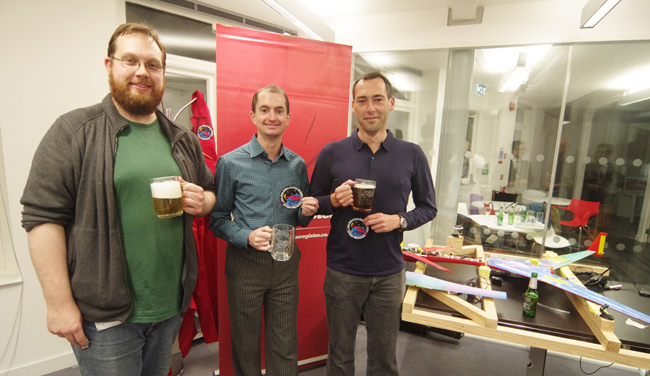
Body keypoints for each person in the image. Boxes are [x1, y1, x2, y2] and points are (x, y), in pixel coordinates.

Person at [20, 23, 216, 375]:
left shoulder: (182, 138)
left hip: (169, 308)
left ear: (162, 73)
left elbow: (210, 191)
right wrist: (58, 303)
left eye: (153, 64)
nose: (142, 71)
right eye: (130, 61)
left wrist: (203, 202)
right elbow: (41, 217)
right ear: (109, 66)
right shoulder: (74, 131)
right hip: (107, 318)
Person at [309, 72, 437, 376]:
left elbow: (428, 207)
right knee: (339, 357)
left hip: (389, 274)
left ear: (391, 103)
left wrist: (400, 220)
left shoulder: (412, 154)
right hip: (343, 271)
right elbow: (312, 204)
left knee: (384, 360)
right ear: (353, 106)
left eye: (378, 99)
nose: (371, 108)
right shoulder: (332, 152)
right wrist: (334, 200)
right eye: (363, 101)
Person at [209, 85, 319, 376]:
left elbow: (299, 217)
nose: (272, 116)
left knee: (284, 343)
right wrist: (245, 236)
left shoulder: (296, 165)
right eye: (265, 110)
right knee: (245, 344)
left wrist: (306, 213)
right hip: (245, 265)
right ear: (253, 116)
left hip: (285, 266)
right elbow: (217, 219)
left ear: (288, 118)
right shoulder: (231, 163)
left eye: (279, 110)